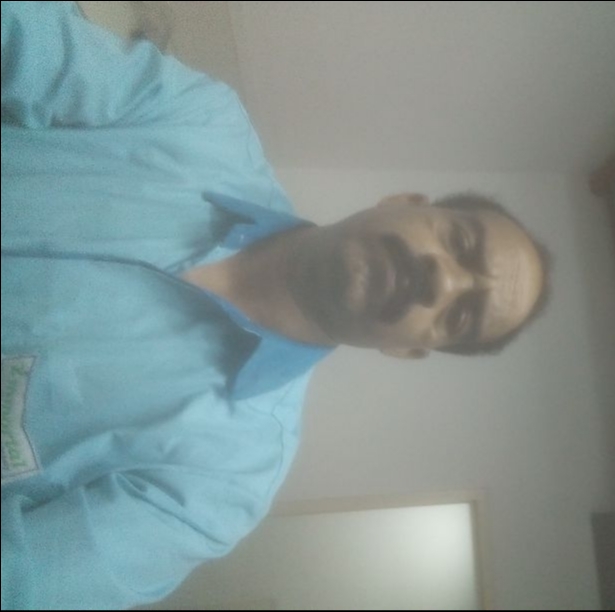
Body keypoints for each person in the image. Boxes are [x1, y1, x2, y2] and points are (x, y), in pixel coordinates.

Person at [0, 2, 551, 609]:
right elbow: (25, 44)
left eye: (460, 315)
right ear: (401, 201)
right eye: (460, 243)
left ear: (407, 349)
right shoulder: (200, 122)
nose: (440, 281)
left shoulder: (223, 484)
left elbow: (21, 582)